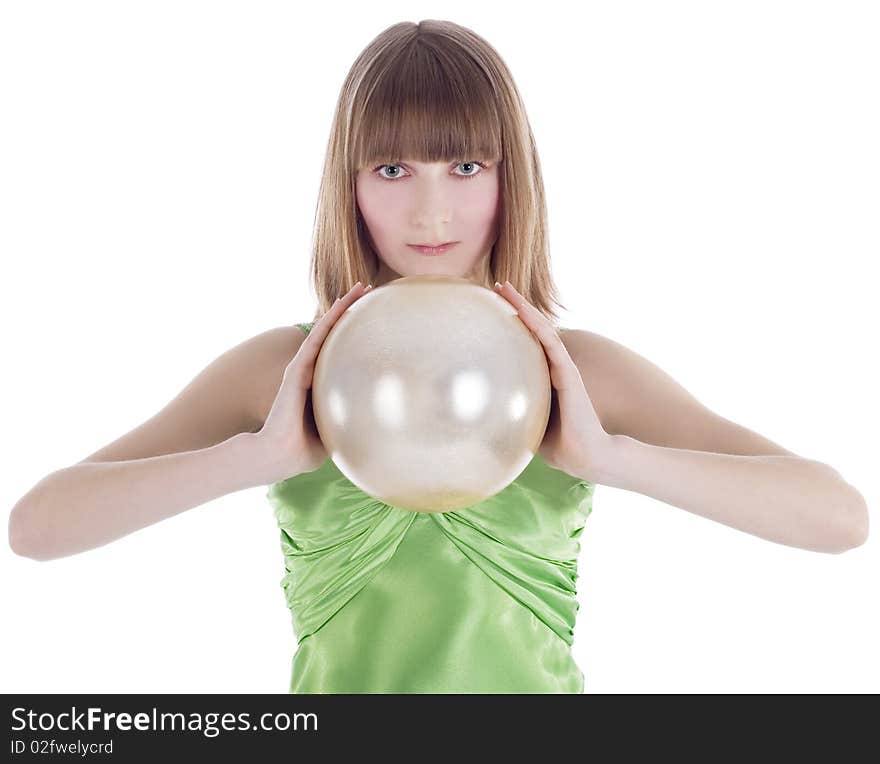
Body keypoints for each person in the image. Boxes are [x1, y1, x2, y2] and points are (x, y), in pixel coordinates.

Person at [8, 20, 868, 694]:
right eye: (391, 168)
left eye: (464, 165)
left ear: (509, 178)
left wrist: (611, 457)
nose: (429, 212)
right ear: (346, 184)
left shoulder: (581, 374)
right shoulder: (280, 371)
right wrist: (255, 457)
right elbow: (37, 528)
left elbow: (838, 519)